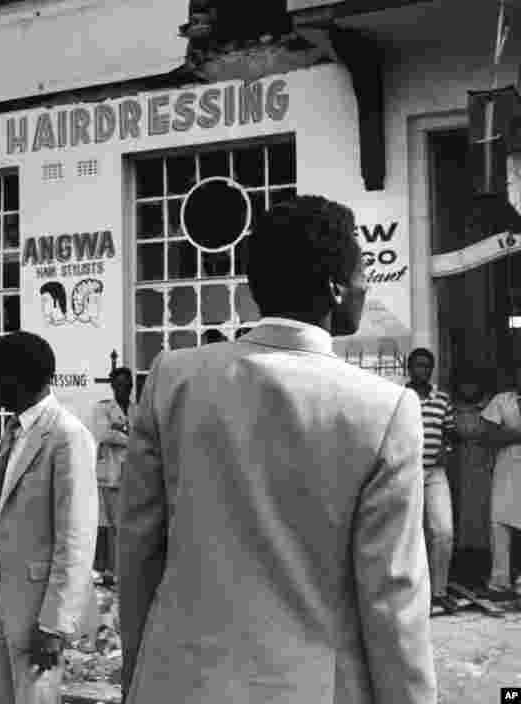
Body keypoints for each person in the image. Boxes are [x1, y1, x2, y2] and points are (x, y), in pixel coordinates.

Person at [119, 195, 435, 704]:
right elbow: (392, 597)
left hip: (176, 682)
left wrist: (139, 676)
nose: (365, 286)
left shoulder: (172, 379)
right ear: (335, 287)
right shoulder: (384, 410)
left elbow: (137, 555)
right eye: (362, 273)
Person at [0, 331, 98, 704]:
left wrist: (55, 624)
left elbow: (76, 538)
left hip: (37, 606)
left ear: (18, 378)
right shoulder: (13, 432)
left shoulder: (66, 436)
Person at [404, 347, 458, 614]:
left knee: (443, 531)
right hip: (407, 473)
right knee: (407, 533)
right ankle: (410, 593)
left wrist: (444, 450)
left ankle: (439, 592)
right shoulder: (401, 397)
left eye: (427, 366)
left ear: (431, 369)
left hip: (435, 474)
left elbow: (450, 434)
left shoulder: (442, 399)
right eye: (417, 365)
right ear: (408, 368)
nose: (422, 370)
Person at [86, 366, 133, 585]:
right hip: (112, 474)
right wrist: (128, 436)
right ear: (113, 387)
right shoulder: (102, 409)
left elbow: (144, 434)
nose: (125, 389)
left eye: (128, 385)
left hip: (133, 474)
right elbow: (104, 434)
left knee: (129, 524)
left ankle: (123, 569)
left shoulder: (137, 408)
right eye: (121, 385)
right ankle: (114, 572)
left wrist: (122, 432)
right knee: (115, 524)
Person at [478, 365, 521, 600]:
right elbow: (487, 436)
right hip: (506, 466)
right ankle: (500, 581)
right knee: (499, 523)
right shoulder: (502, 401)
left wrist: (509, 432)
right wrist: (515, 435)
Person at [449, 370, 493, 576]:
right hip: (458, 464)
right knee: (459, 510)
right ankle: (461, 561)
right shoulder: (452, 408)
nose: (469, 389)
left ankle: (481, 560)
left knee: (481, 511)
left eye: (473, 384)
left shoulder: (490, 407)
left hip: (484, 463)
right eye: (465, 384)